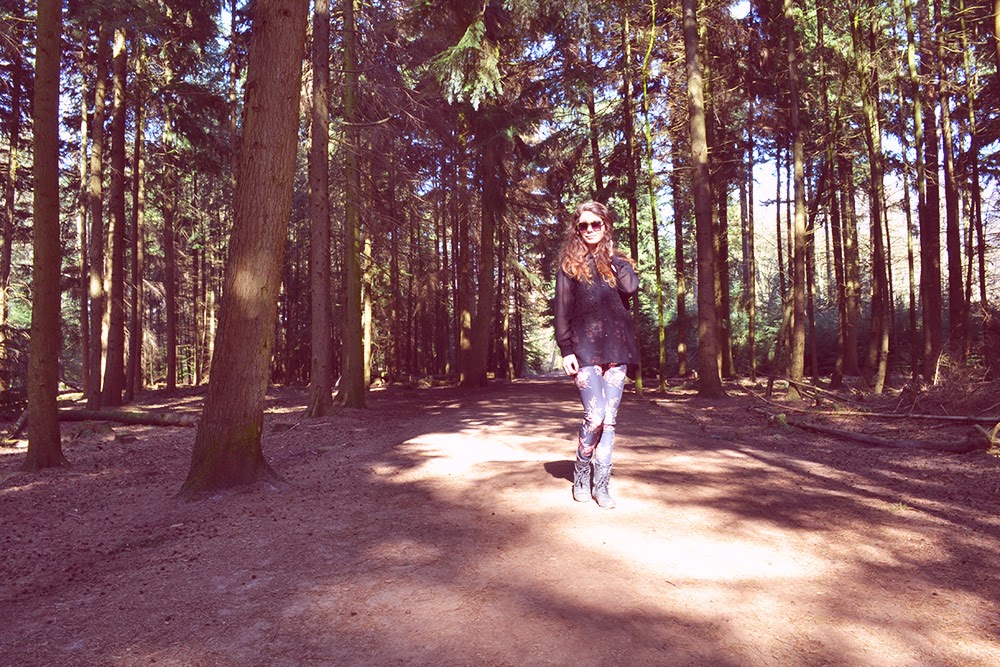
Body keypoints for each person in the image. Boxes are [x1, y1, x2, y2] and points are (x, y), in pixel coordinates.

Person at [554, 200, 639, 509]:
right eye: (583, 225)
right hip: (584, 351)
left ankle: (601, 485)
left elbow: (630, 288)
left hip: (617, 349)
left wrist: (611, 258)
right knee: (595, 416)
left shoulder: (619, 262)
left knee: (610, 421)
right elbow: (562, 310)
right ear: (577, 230)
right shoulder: (569, 265)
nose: (589, 229)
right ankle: (581, 471)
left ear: (605, 226)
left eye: (595, 224)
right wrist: (566, 349)